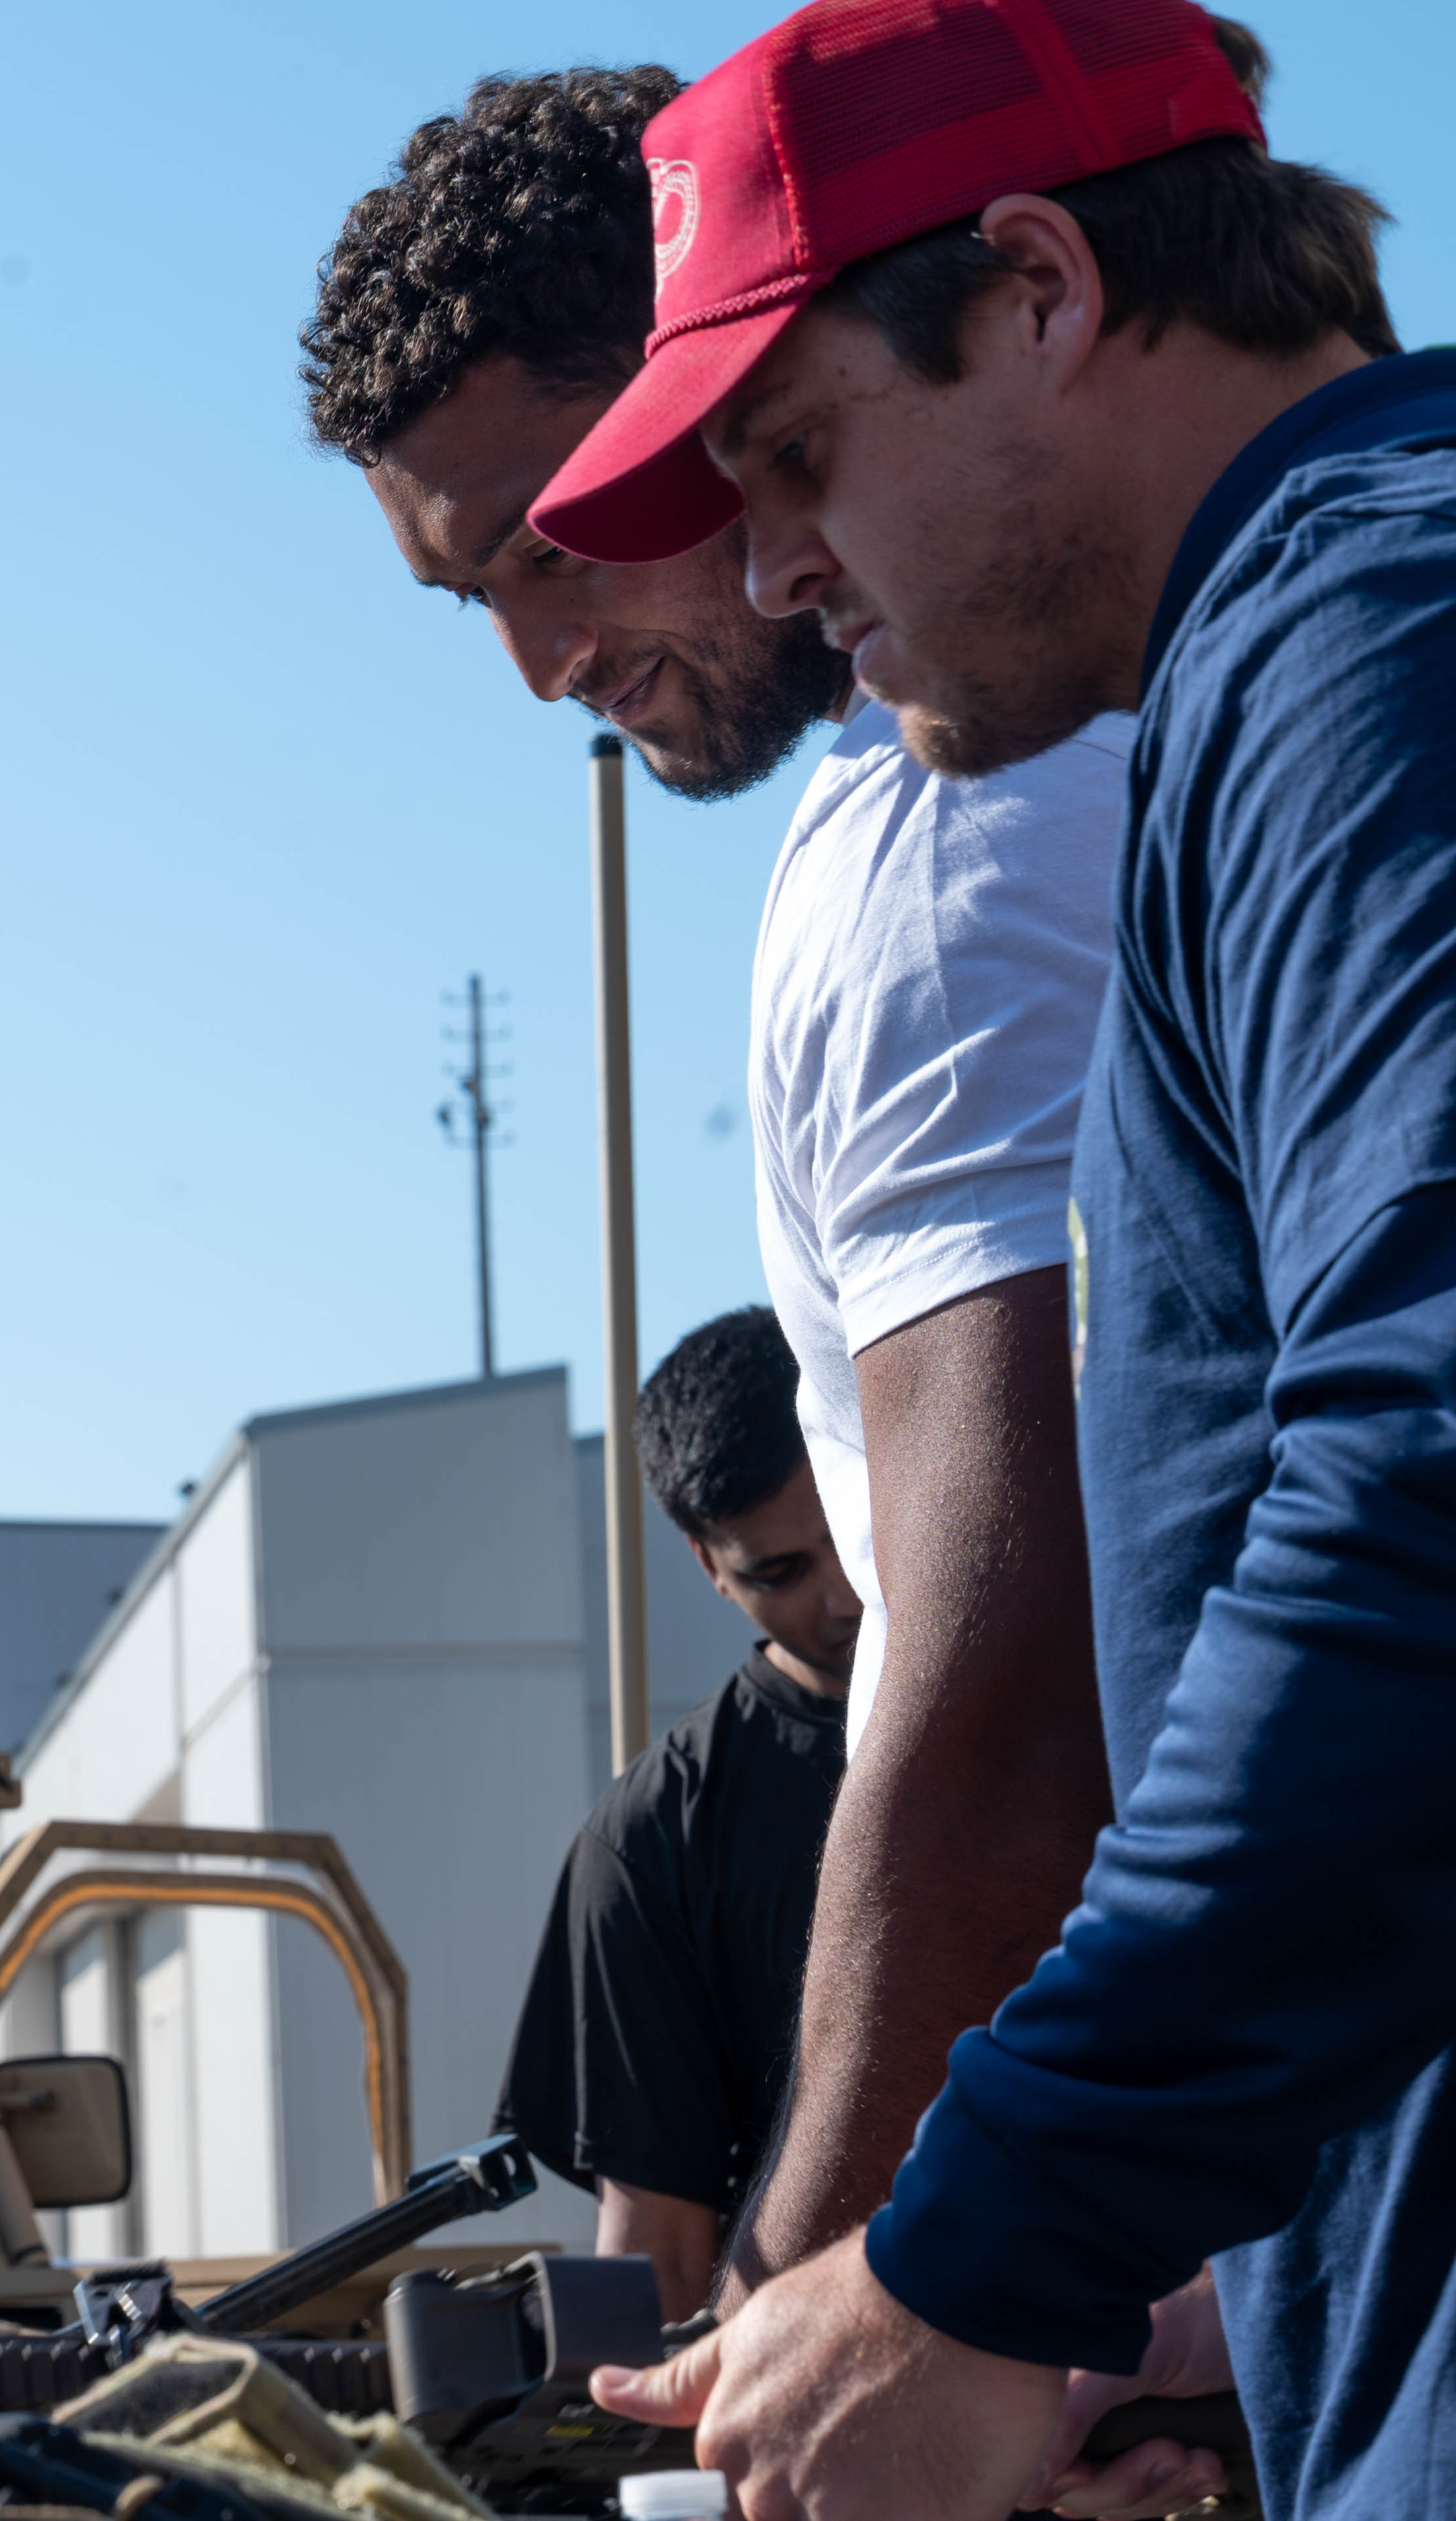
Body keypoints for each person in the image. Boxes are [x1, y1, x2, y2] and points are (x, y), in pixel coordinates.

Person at [523, 1, 1426, 2510]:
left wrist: (976, 2245)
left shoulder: (1371, 647)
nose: (782, 570)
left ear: (1035, 281)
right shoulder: (1296, 668)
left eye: (795, 453)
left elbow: (1428, 1487)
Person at [306, 65, 1124, 2308]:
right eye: (466, 596)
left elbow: (1009, 1661)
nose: (539, 658)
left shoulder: (951, 855)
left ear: (714, 379)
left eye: (552, 535)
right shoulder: (1130, 735)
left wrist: (837, 2267)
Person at [495, 1309, 855, 2319]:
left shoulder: (1092, 1706)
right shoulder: (652, 1845)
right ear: (707, 1563)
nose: (842, 1599)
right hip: (844, 2419)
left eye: (849, 1532)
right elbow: (658, 2261)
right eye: (778, 1572)